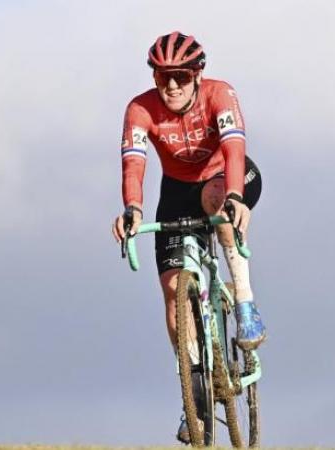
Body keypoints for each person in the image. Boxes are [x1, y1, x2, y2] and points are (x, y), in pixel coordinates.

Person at [111, 31, 266, 442]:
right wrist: (133, 209)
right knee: (174, 289)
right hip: (177, 191)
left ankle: (246, 305)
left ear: (197, 74)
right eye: (163, 77)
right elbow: (134, 166)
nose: (172, 85)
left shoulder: (220, 95)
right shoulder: (140, 109)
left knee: (216, 198)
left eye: (180, 75)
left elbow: (234, 150)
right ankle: (193, 397)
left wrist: (235, 196)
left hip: (227, 177)